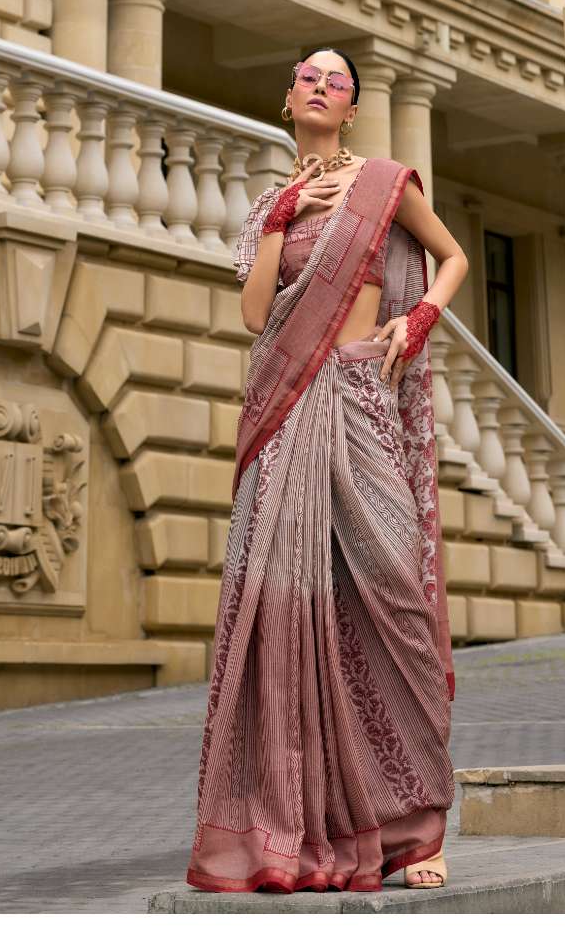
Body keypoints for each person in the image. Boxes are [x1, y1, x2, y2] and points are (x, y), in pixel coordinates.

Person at [185, 47, 469, 894]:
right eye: (308, 76)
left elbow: (451, 257)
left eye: (335, 82)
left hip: (358, 397)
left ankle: (418, 825)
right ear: (288, 99)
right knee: (284, 609)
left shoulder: (385, 184)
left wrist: (416, 318)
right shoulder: (271, 204)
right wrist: (279, 220)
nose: (319, 86)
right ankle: (292, 827)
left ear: (350, 109)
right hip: (285, 414)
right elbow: (252, 312)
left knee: (393, 596)